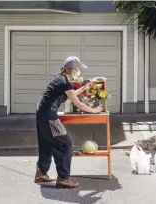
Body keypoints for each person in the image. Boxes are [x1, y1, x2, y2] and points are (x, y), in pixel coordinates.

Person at [34, 56, 103, 188]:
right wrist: (94, 111)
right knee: (65, 143)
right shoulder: (64, 82)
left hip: (41, 112)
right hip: (48, 115)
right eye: (78, 69)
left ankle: (41, 173)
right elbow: (79, 104)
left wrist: (83, 88)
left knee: (46, 143)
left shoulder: (60, 78)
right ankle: (63, 178)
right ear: (72, 70)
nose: (79, 72)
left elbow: (70, 94)